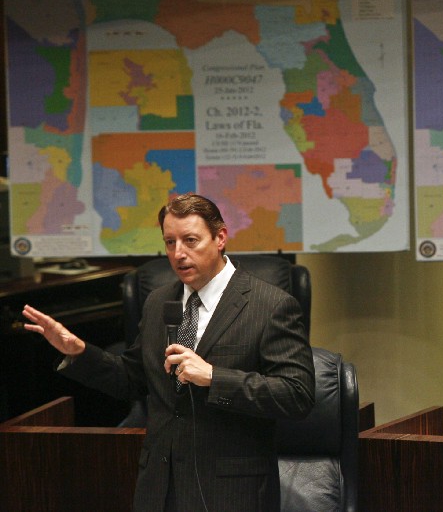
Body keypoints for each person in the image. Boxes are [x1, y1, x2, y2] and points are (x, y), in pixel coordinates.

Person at [22, 193, 315, 512]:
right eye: (170, 242)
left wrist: (215, 378)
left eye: (190, 240)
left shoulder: (270, 305)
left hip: (231, 490)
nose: (179, 254)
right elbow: (132, 380)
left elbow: (296, 396)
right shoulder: (159, 302)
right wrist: (79, 352)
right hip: (159, 487)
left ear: (220, 237)